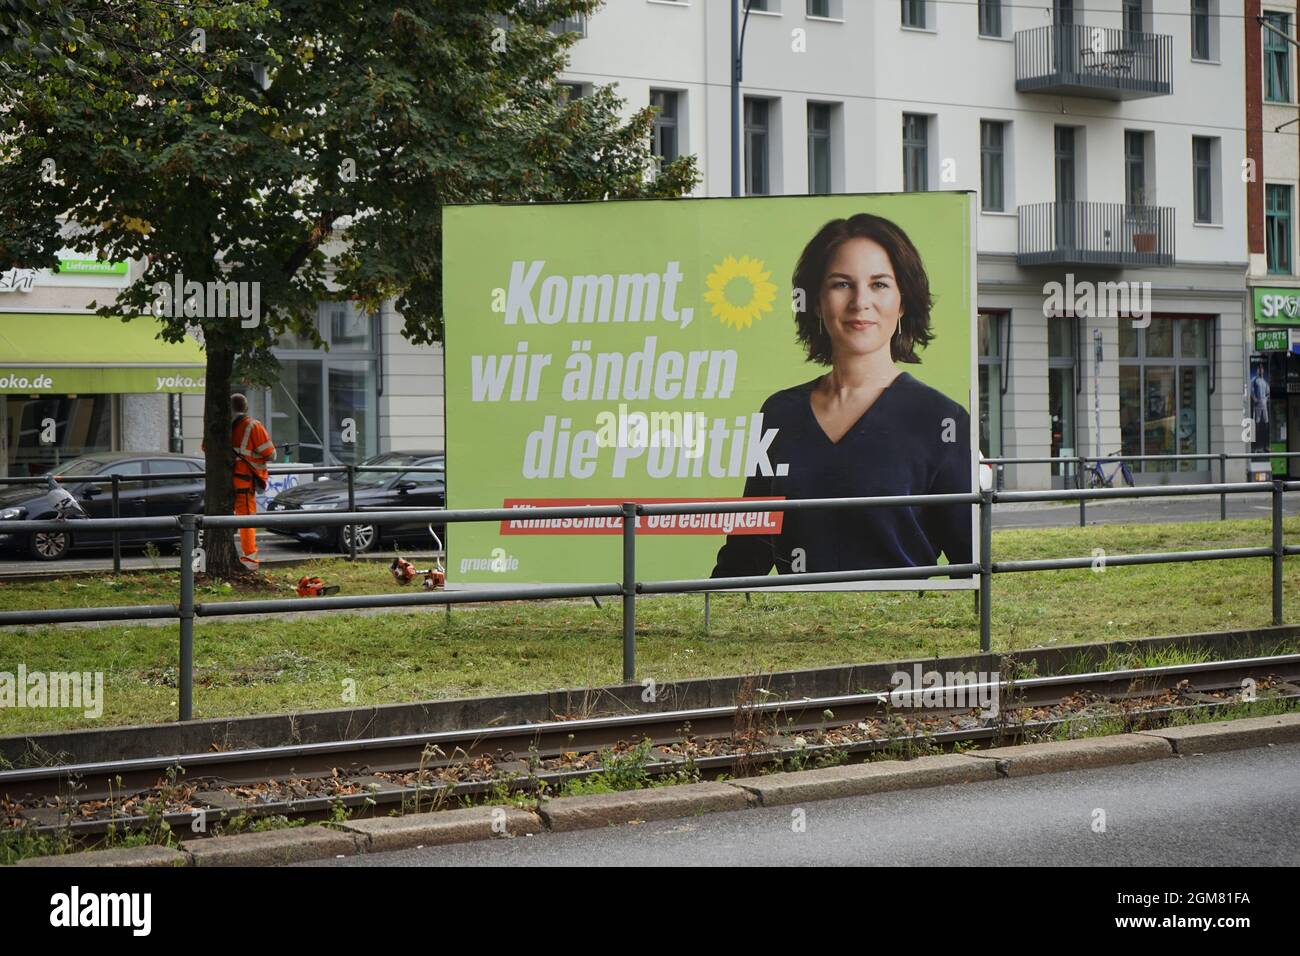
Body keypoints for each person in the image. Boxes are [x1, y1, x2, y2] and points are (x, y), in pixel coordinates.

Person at [710, 212, 973, 579]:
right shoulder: (779, 414)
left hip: (899, 628)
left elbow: (970, 560)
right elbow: (749, 546)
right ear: (816, 302)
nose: (860, 302)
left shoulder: (943, 419)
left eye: (879, 284)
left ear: (903, 302)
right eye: (841, 284)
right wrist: (704, 614)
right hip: (793, 627)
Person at [204, 393, 276, 568]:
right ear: (245, 408)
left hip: (221, 482)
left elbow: (206, 448)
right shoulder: (253, 426)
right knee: (246, 520)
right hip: (243, 482)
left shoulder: (217, 425)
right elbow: (271, 454)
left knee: (220, 518)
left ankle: (213, 556)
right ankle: (250, 558)